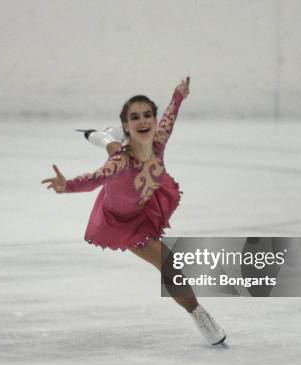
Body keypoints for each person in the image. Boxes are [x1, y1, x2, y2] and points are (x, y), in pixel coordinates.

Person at [42, 78, 226, 345]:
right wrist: (66, 185)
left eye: (148, 115)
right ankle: (198, 313)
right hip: (122, 223)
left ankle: (106, 136)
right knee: (169, 263)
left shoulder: (158, 141)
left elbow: (169, 119)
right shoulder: (120, 164)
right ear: (127, 125)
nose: (143, 121)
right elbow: (95, 179)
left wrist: (178, 95)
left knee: (115, 146)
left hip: (146, 205)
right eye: (135, 117)